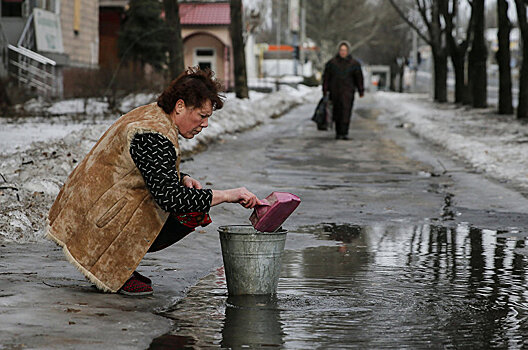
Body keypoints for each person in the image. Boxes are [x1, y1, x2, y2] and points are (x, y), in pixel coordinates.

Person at [46, 67, 261, 296]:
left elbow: (139, 168)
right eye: (202, 115)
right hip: (97, 217)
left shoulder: (152, 116)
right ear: (180, 106)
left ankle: (119, 262)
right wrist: (228, 195)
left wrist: (182, 178)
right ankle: (111, 265)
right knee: (189, 210)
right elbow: (170, 198)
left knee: (187, 200)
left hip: (90, 206)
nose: (205, 124)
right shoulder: (153, 134)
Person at [322, 40, 364, 140]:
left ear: (348, 51)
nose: (343, 52)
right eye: (341, 50)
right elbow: (326, 78)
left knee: (346, 111)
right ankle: (338, 132)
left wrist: (361, 90)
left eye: (345, 50)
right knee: (337, 112)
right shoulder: (332, 63)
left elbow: (359, 78)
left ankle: (344, 132)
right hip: (335, 91)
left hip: (348, 92)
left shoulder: (354, 64)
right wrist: (325, 90)